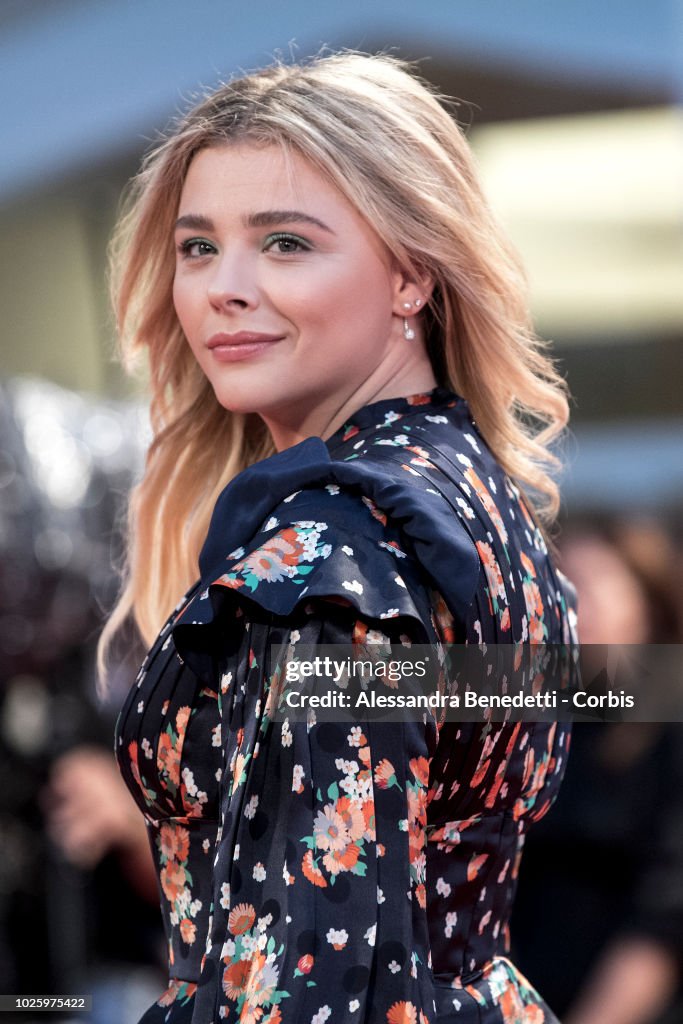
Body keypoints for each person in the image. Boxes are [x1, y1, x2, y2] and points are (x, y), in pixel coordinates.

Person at [98, 52, 576, 1024]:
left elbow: (318, 966)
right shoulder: (464, 490)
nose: (222, 288)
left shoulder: (331, 553)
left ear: (409, 275)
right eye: (197, 248)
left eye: (283, 243)